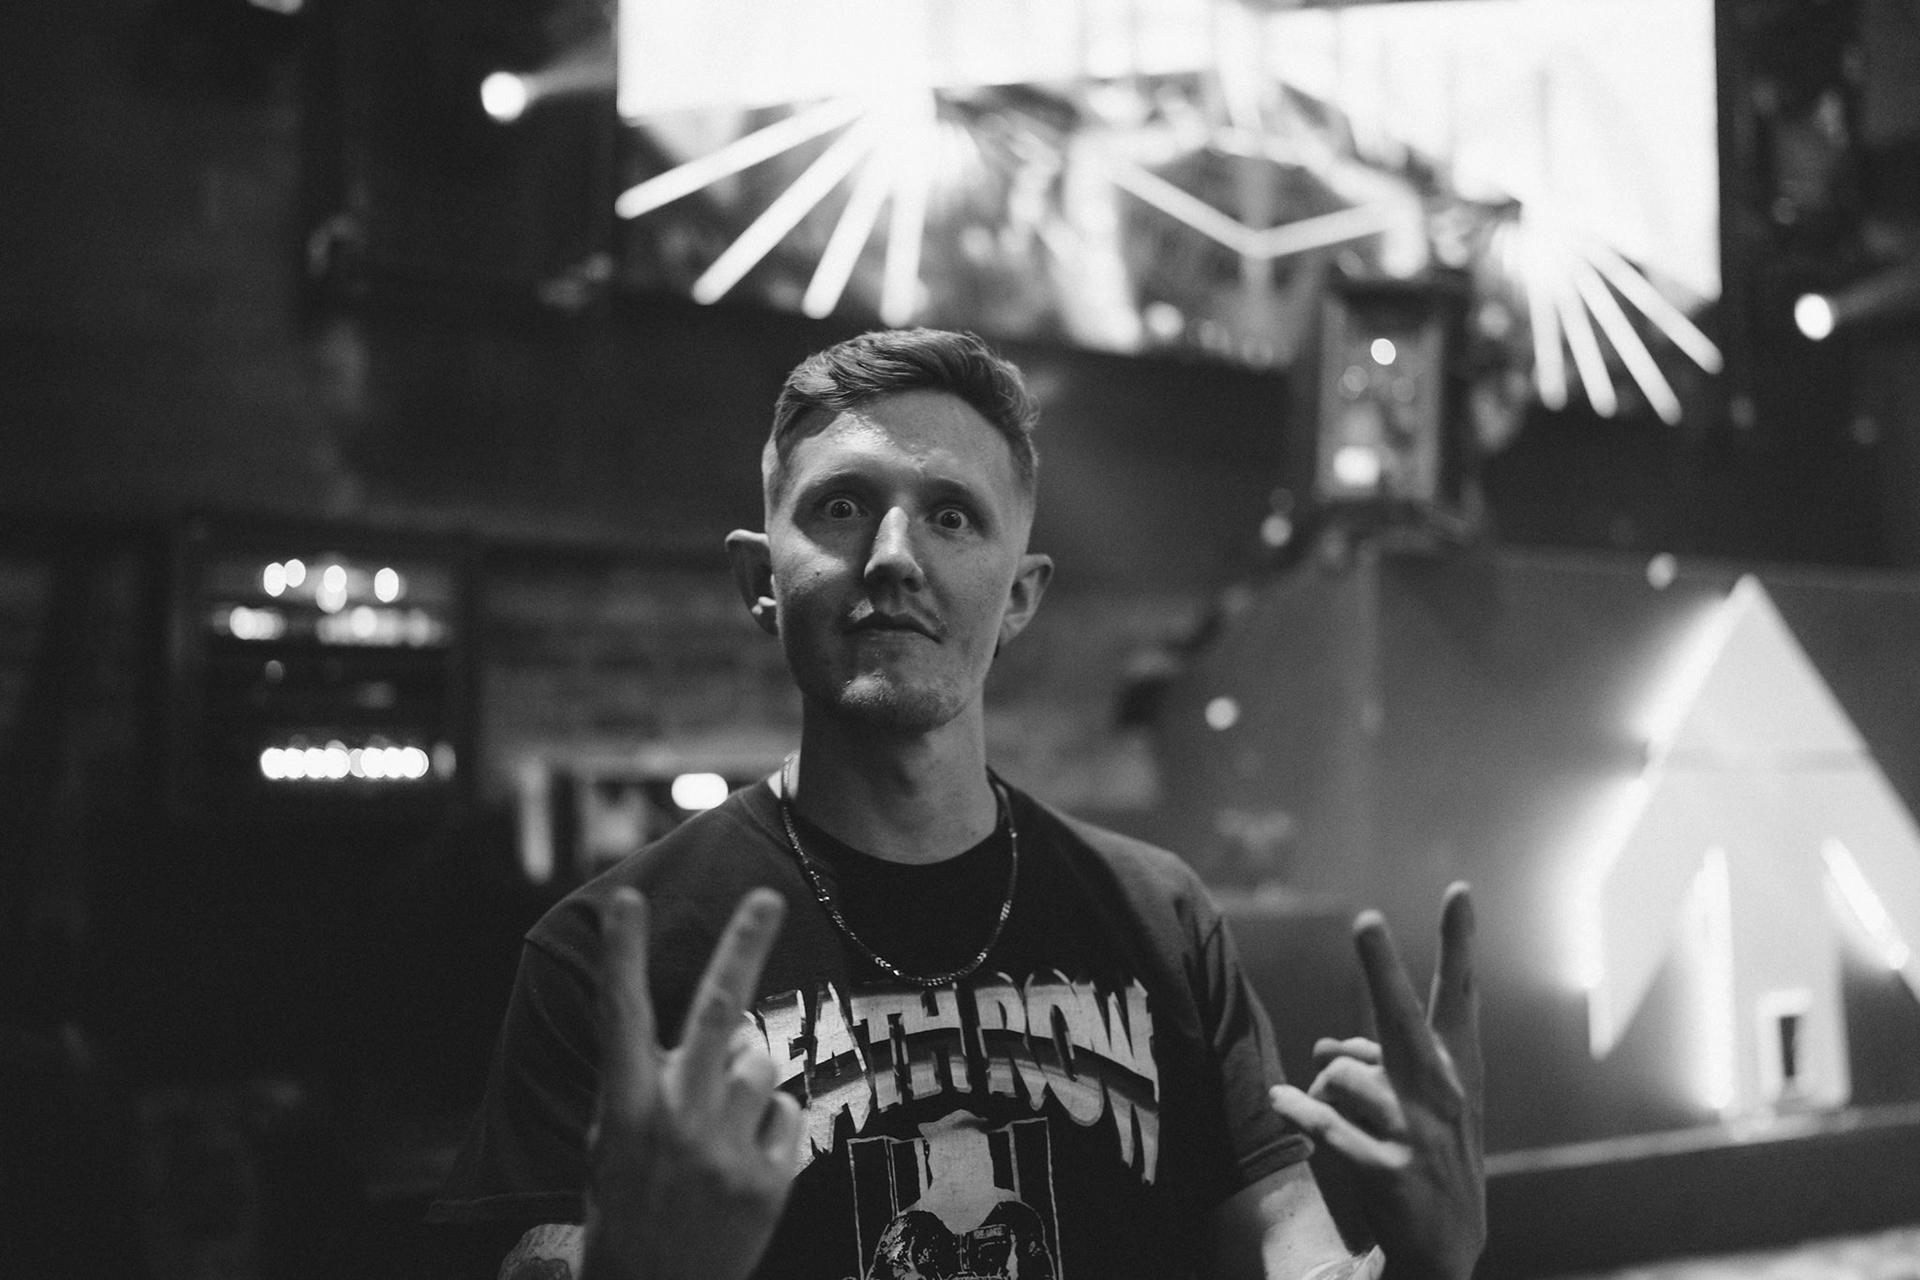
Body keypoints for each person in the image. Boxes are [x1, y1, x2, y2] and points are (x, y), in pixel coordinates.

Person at [429, 329, 1484, 1280]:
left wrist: (1423, 1263)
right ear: (761, 580)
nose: (895, 556)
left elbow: (1291, 1249)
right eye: (843, 506)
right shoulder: (604, 958)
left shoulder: (1160, 920)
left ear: (1019, 594)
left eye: (951, 515)